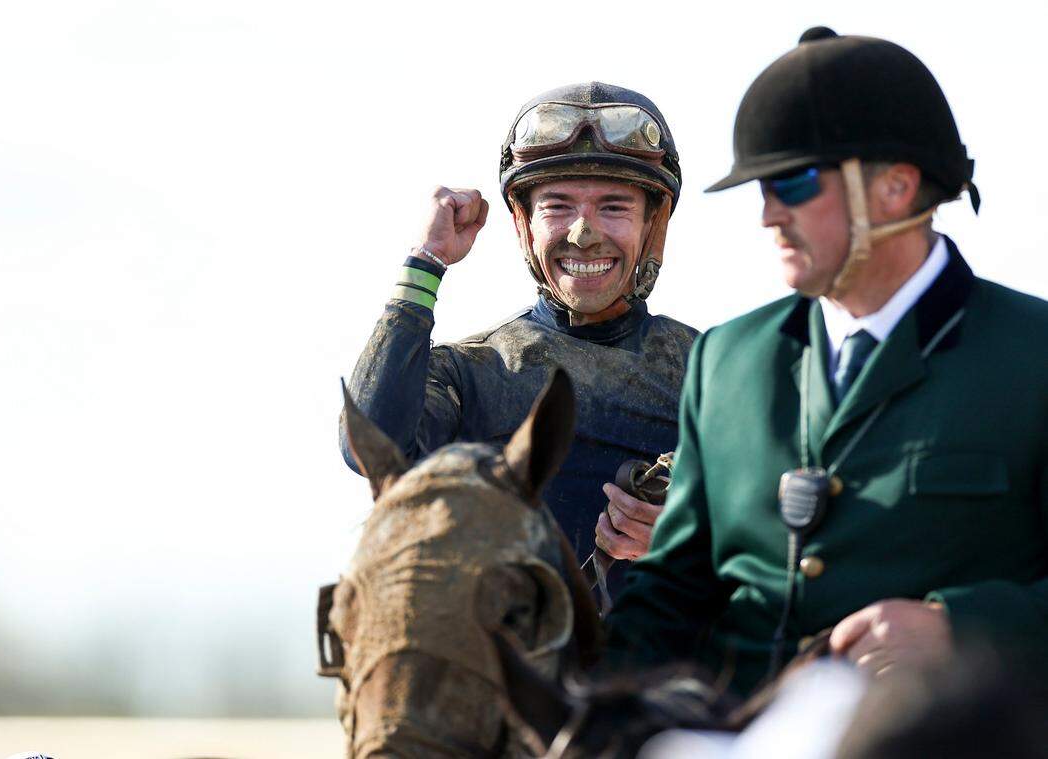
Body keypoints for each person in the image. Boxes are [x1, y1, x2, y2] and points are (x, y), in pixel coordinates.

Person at [606, 27, 1048, 697]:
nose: (768, 216)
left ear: (897, 188)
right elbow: (671, 590)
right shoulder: (726, 360)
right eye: (762, 190)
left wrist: (962, 625)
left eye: (794, 184)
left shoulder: (1032, 352)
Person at [338, 83, 698, 582]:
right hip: (508, 654)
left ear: (652, 223)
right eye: (558, 207)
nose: (583, 232)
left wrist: (690, 535)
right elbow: (372, 447)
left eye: (614, 207)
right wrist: (425, 263)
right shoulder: (470, 372)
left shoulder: (716, 371)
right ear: (524, 223)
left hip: (686, 655)